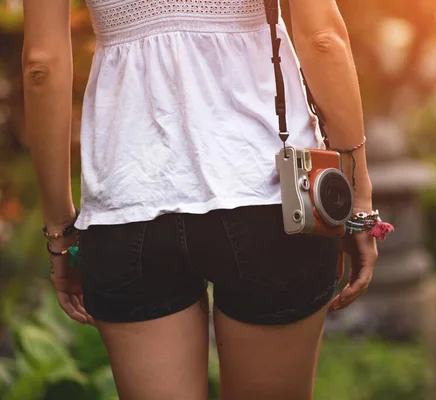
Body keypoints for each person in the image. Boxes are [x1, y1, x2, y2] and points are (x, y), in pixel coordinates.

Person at [21, 0, 384, 399]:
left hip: (129, 195)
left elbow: (42, 66)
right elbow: (322, 39)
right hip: (269, 193)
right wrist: (358, 200)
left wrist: (60, 230)